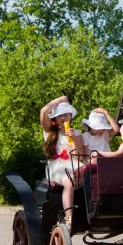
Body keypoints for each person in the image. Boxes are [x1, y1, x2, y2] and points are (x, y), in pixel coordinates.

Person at [40, 95, 85, 231]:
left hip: (74, 163)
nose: (63, 117)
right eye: (60, 115)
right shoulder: (50, 132)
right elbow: (43, 112)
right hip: (57, 166)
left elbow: (80, 155)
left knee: (91, 175)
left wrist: (74, 139)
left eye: (66, 114)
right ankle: (69, 218)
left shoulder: (76, 132)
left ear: (71, 116)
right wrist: (59, 100)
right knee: (69, 182)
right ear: (55, 118)